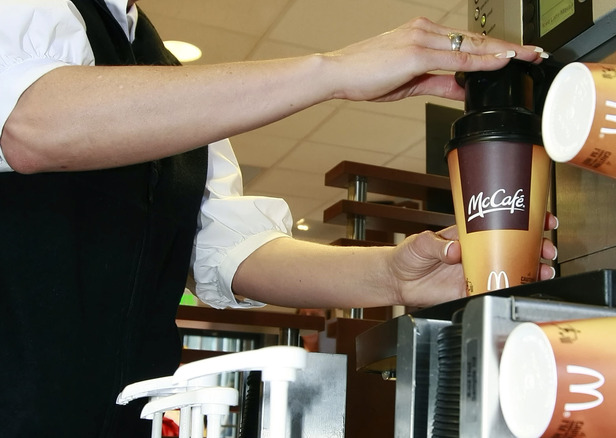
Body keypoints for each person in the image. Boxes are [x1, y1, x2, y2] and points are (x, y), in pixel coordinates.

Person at [0, 0, 557, 436]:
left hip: (120, 416)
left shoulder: (160, 66)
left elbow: (226, 249)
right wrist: (334, 71)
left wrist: (394, 274)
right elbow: (28, 122)